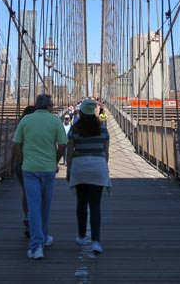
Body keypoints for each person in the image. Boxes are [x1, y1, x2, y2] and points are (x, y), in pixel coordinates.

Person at [12, 93, 67, 260]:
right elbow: (63, 145)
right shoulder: (55, 121)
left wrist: (23, 161)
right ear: (49, 106)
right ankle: (39, 242)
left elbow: (16, 144)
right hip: (48, 170)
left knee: (33, 206)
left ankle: (38, 243)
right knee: (45, 206)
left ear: (36, 105)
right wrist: (54, 161)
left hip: (29, 169)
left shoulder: (26, 120)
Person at [66, 98, 111, 255]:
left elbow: (70, 152)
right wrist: (103, 168)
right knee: (95, 205)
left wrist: (68, 170)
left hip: (79, 167)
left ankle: (81, 236)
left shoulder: (74, 128)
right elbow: (106, 153)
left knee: (81, 203)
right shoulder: (103, 129)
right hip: (98, 167)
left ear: (81, 111)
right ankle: (96, 242)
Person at [10, 104, 36, 237]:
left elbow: (15, 145)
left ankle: (28, 218)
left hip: (21, 165)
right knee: (36, 193)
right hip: (35, 164)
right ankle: (35, 220)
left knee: (26, 192)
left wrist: (13, 162)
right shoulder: (37, 127)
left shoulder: (21, 126)